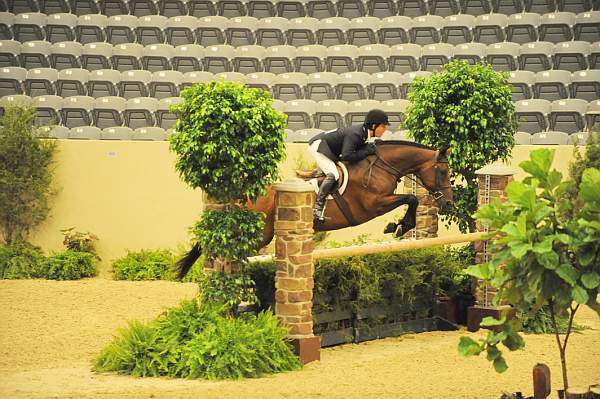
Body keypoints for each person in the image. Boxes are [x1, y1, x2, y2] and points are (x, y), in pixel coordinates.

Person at [307, 108, 390, 220]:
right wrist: (366, 151)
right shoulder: (357, 134)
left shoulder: (364, 134)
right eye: (383, 126)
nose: (385, 130)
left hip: (329, 149)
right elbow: (347, 156)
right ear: (374, 126)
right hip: (319, 146)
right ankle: (317, 208)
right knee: (334, 174)